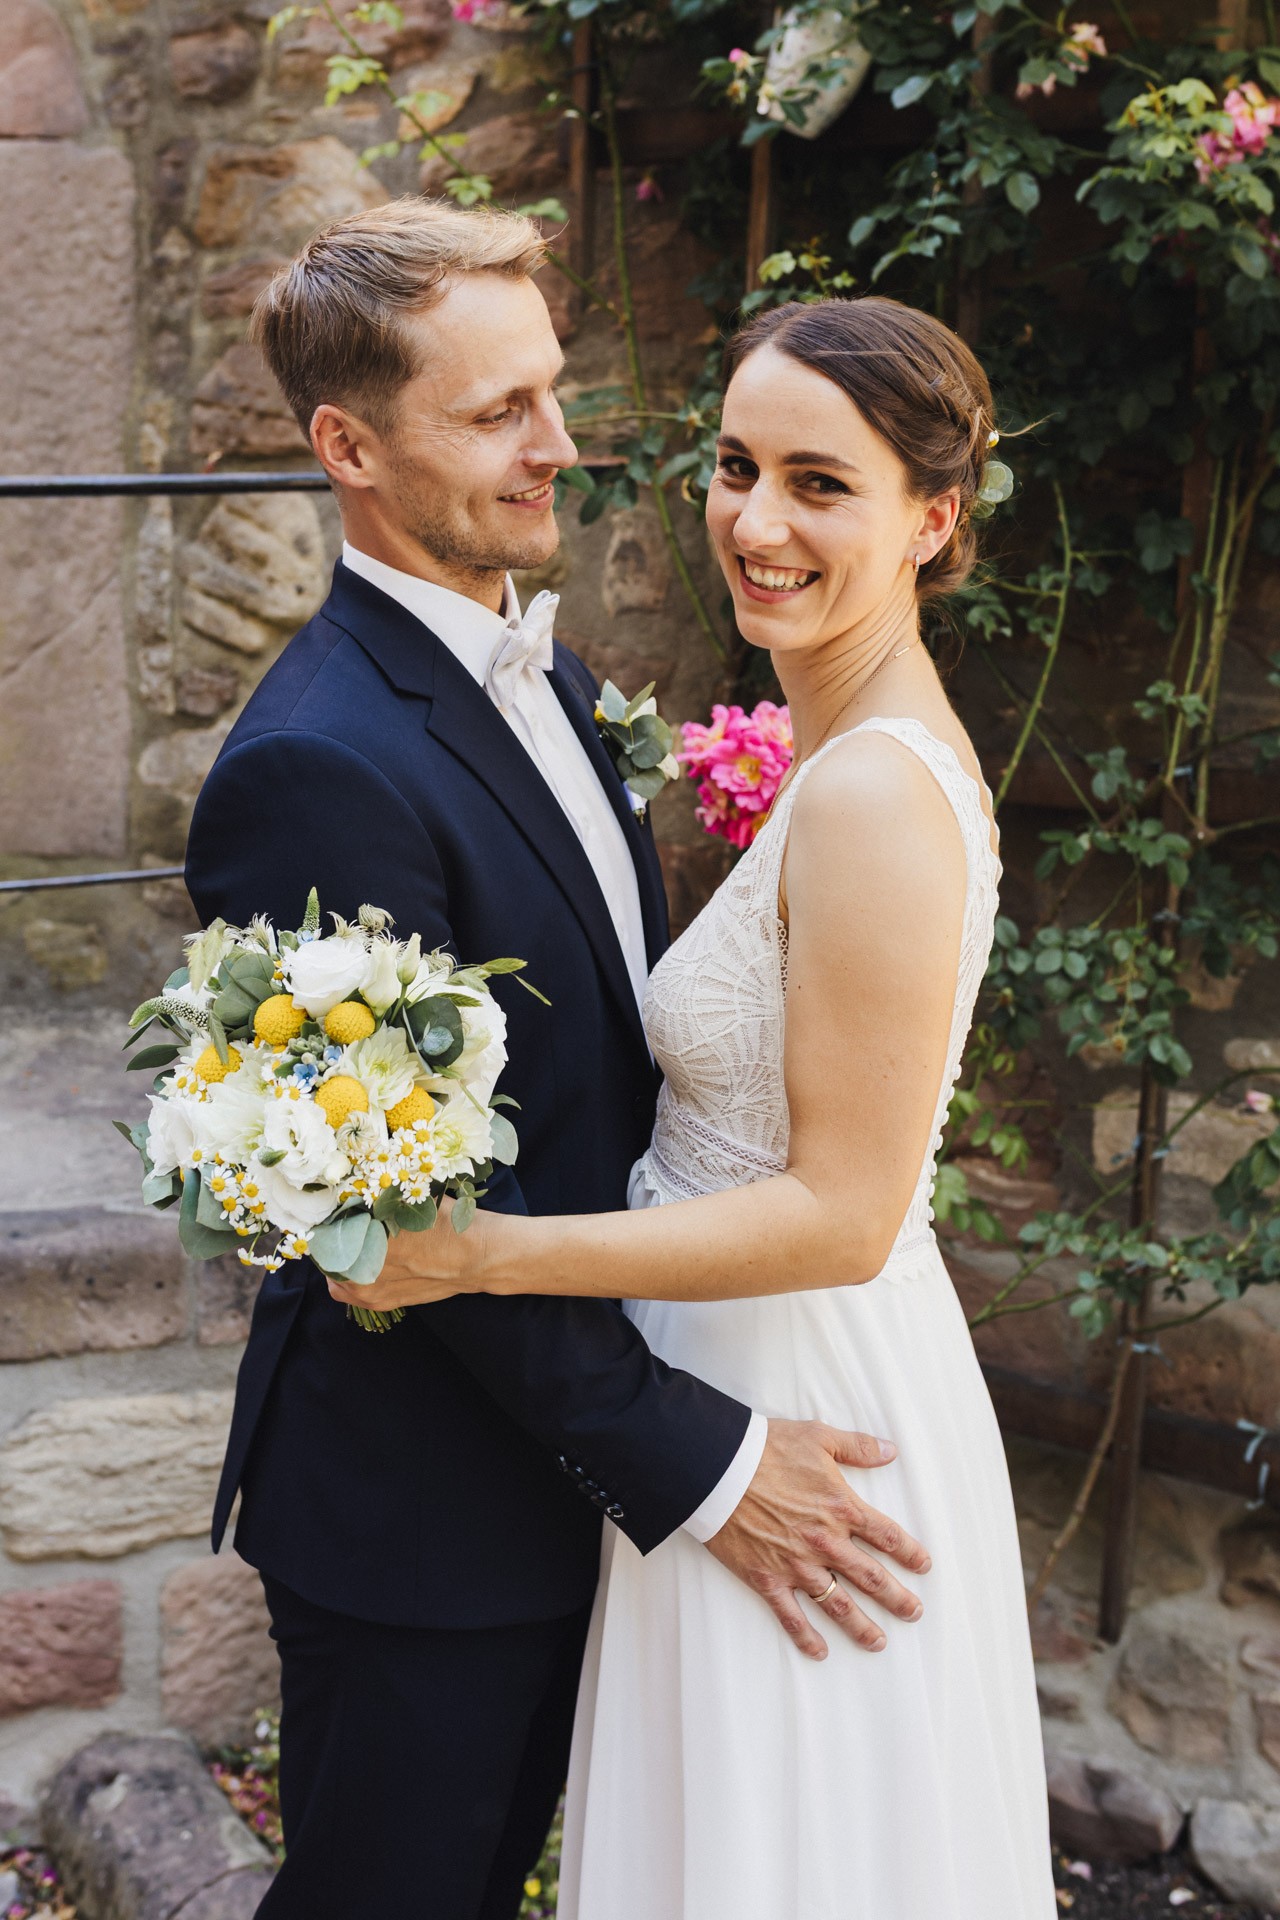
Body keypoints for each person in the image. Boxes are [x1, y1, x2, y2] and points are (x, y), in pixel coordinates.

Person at [184, 201, 931, 1920]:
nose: (560, 447)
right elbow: (417, 1227)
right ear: (347, 447)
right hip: (425, 1514)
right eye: (498, 412)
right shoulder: (316, 768)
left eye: (554, 391)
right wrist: (708, 1466)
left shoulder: (553, 669)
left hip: (576, 1464)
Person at [329, 294, 1057, 1918]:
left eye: (821, 481)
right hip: (725, 1375)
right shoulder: (841, 743)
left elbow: (848, 1208)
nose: (756, 520)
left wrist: (474, 1255)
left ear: (934, 518)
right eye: (736, 466)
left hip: (798, 1391)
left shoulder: (872, 788)